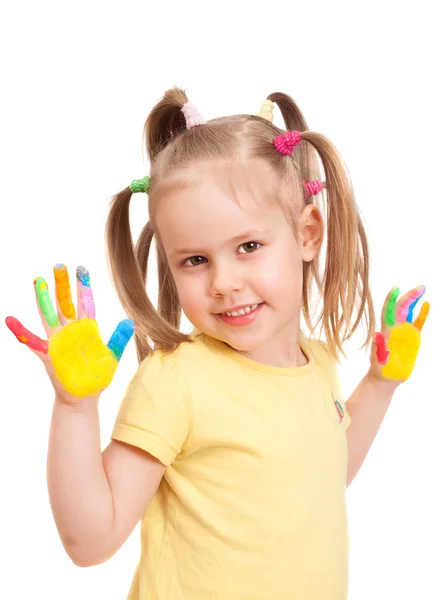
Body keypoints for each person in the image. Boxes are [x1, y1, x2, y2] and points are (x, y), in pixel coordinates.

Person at [5, 88, 430, 600]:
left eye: (248, 247)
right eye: (195, 260)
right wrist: (75, 408)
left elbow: (323, 474)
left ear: (308, 233)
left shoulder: (316, 364)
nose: (223, 282)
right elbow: (90, 541)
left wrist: (380, 384)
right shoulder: (178, 381)